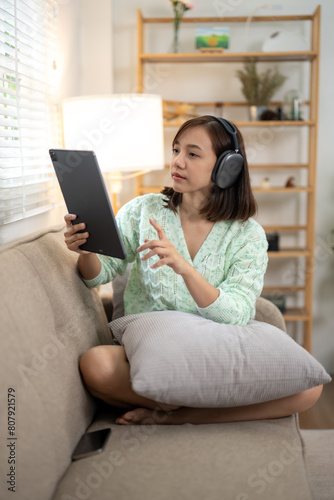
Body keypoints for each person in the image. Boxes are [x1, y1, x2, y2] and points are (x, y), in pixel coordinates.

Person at [64, 115, 322, 425]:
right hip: (151, 352)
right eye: (175, 150)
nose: (177, 161)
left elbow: (238, 313)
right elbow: (97, 275)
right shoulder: (142, 210)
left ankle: (180, 414)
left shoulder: (247, 235)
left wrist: (186, 269)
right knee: (97, 365)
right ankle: (197, 405)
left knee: (310, 389)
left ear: (227, 168)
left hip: (215, 354)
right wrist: (86, 248)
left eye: (192, 153)